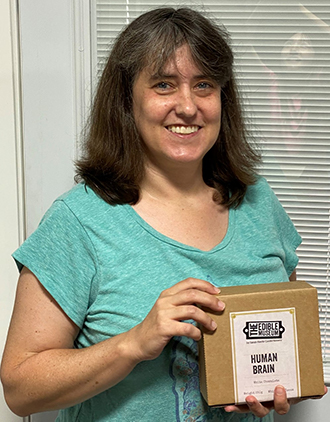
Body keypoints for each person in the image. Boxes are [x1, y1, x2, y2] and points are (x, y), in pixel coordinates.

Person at [1, 7, 324, 422]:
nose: (188, 107)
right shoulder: (78, 221)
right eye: (164, 85)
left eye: (204, 85)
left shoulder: (260, 204)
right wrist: (133, 343)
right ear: (127, 101)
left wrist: (283, 382)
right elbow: (20, 388)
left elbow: (284, 338)